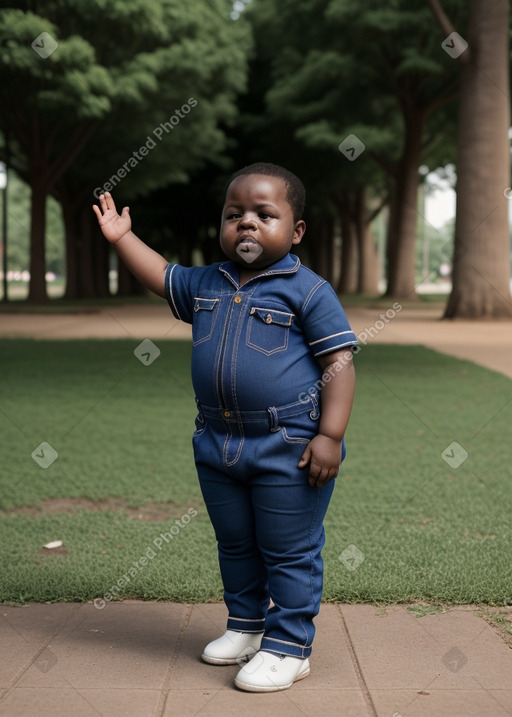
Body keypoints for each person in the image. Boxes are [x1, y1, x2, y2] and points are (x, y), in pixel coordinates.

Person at [92, 162, 357, 693]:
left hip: (289, 444)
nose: (247, 225)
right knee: (235, 543)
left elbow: (339, 363)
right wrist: (123, 239)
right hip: (217, 442)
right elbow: (160, 275)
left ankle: (290, 646)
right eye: (235, 215)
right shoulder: (206, 282)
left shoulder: (307, 291)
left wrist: (329, 435)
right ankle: (247, 624)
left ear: (296, 230)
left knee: (288, 548)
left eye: (264, 215)